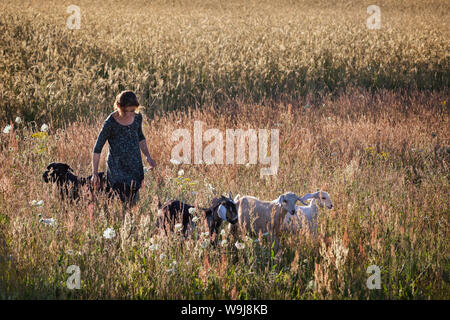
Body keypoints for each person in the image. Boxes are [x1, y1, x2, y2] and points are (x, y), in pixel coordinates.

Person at [91, 90, 156, 210]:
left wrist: (148, 156)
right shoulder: (110, 123)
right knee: (124, 201)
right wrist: (94, 173)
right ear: (120, 107)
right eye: (128, 111)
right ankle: (123, 222)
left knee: (133, 202)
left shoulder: (137, 118)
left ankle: (131, 224)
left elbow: (140, 137)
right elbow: (97, 149)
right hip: (117, 169)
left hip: (135, 167)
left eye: (134, 110)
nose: (132, 114)